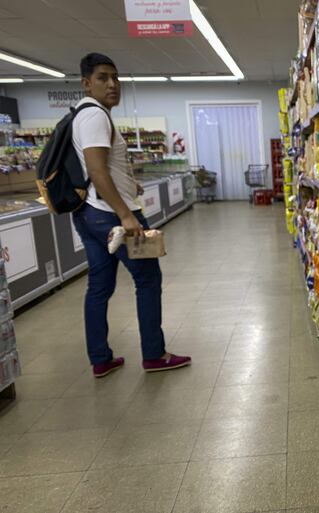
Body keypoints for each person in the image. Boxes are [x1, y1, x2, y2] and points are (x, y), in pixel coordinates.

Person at [71, 53, 191, 378]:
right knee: (148, 279)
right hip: (111, 217)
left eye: (115, 77)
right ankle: (154, 354)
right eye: (102, 78)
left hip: (89, 214)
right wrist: (125, 214)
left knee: (99, 285)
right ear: (86, 83)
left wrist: (128, 182)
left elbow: (101, 168)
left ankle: (100, 358)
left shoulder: (83, 116)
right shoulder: (95, 116)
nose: (112, 84)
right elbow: (96, 170)